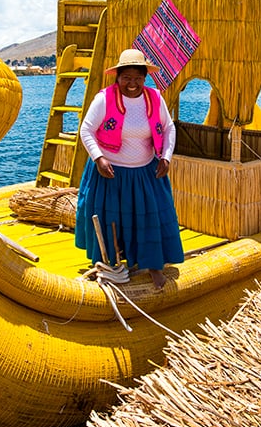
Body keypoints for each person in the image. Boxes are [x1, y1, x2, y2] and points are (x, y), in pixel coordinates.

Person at [74, 49, 184, 290]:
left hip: (146, 173)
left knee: (149, 218)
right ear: (117, 77)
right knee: (110, 219)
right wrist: (99, 158)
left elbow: (168, 128)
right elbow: (86, 130)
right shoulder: (104, 99)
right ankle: (108, 264)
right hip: (110, 173)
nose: (132, 84)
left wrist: (166, 156)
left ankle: (154, 265)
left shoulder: (154, 98)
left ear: (145, 78)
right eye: (127, 78)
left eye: (138, 78)